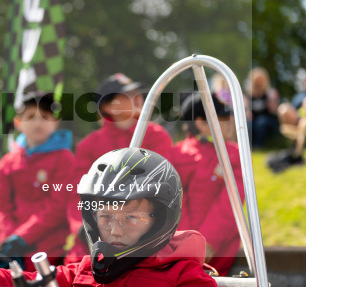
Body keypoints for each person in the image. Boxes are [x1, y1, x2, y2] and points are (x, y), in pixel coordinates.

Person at [0, 148, 227, 287]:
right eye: (105, 217)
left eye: (131, 217)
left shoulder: (186, 279)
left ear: (160, 219)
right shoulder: (82, 273)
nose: (115, 229)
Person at [65, 73, 174, 262]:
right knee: (73, 272)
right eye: (127, 96)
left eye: (137, 94)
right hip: (95, 237)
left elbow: (161, 191)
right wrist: (83, 228)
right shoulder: (89, 146)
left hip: (145, 236)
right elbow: (76, 194)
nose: (138, 100)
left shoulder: (157, 137)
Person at [0, 92, 75, 271]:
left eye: (45, 117)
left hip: (47, 247)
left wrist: (21, 238)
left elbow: (58, 208)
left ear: (55, 122)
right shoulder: (8, 161)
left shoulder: (65, 159)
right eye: (30, 117)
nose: (38, 123)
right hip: (5, 245)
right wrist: (8, 241)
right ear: (18, 123)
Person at [170, 92, 246, 276]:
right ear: (201, 124)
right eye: (222, 117)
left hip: (219, 253)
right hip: (179, 252)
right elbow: (173, 198)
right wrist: (186, 242)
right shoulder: (177, 154)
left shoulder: (234, 154)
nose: (229, 120)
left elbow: (231, 201)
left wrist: (208, 242)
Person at [245, 67, 280, 148]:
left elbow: (274, 110)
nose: (258, 83)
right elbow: (245, 109)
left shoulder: (270, 93)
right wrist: (247, 113)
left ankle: (258, 145)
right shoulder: (248, 94)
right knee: (248, 124)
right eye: (256, 80)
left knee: (261, 122)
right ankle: (249, 145)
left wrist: (273, 101)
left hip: (268, 120)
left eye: (261, 80)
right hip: (253, 120)